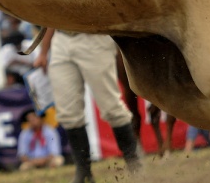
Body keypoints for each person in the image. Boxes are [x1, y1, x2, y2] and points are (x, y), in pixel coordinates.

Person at [34, 29, 140, 182]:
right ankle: (83, 172)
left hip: (93, 37)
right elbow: (50, 18)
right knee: (68, 113)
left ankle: (134, 165)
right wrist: (44, 52)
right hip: (61, 39)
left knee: (112, 108)